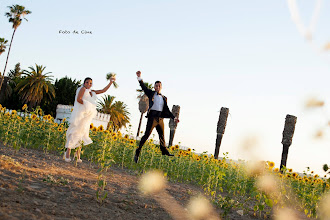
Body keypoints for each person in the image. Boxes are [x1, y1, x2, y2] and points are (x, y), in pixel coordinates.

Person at [64, 76, 116, 162]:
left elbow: (103, 90)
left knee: (83, 133)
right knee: (74, 132)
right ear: (84, 83)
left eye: (90, 83)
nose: (89, 84)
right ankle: (67, 153)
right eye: (87, 82)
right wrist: (88, 106)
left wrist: (111, 82)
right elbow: (79, 99)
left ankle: (78, 155)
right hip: (80, 114)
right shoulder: (82, 89)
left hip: (86, 116)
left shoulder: (91, 92)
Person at [134, 71, 179, 163]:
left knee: (162, 136)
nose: (157, 87)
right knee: (146, 135)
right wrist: (139, 77)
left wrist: (173, 118)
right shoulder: (151, 94)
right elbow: (143, 87)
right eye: (156, 86)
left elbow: (166, 109)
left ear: (161, 87)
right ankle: (137, 152)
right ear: (154, 87)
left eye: (159, 86)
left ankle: (164, 151)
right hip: (152, 117)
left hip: (160, 118)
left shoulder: (164, 97)